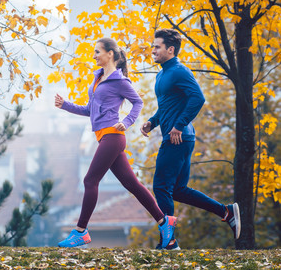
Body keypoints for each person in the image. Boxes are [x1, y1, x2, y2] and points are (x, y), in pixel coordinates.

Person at [55, 38, 177, 249]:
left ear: (110, 54)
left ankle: (80, 231)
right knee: (132, 184)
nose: (94, 56)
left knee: (89, 181)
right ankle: (165, 223)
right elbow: (89, 111)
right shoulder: (98, 78)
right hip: (104, 137)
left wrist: (126, 122)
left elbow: (138, 102)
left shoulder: (120, 81)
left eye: (97, 52)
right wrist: (65, 105)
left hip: (113, 136)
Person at [140, 28, 241, 250]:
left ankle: (169, 242)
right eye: (153, 46)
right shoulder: (162, 74)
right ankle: (225, 211)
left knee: (161, 187)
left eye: (157, 47)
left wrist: (178, 125)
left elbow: (198, 97)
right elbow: (166, 106)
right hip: (178, 136)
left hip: (178, 138)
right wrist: (152, 122)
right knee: (177, 190)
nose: (153, 50)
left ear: (170, 49)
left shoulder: (179, 71)